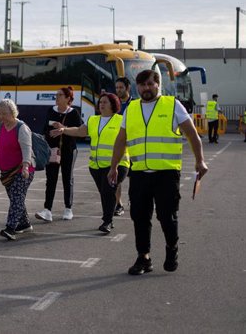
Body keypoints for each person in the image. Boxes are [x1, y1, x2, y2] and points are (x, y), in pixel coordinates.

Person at [108, 70, 208, 275]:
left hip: (166, 174)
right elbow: (121, 139)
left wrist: (200, 161)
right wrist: (113, 166)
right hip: (140, 174)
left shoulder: (172, 105)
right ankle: (143, 257)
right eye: (142, 85)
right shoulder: (132, 108)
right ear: (137, 87)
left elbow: (192, 134)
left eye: (150, 84)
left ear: (158, 85)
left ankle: (172, 249)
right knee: (139, 216)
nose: (146, 88)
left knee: (166, 216)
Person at [50, 92, 129, 234]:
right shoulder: (93, 120)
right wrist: (64, 130)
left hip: (117, 165)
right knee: (104, 193)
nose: (101, 104)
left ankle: (107, 222)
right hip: (96, 166)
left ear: (113, 104)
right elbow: (80, 131)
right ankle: (109, 217)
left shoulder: (121, 120)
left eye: (105, 102)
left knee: (108, 191)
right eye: (101, 102)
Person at [0, 100, 35, 240]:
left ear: (13, 112)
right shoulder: (2, 126)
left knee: (16, 198)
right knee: (15, 198)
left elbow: (27, 149)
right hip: (7, 172)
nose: (2, 116)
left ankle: (10, 228)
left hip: (22, 170)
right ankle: (24, 224)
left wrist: (25, 166)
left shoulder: (21, 128)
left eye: (4, 113)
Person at [35, 86, 82, 222]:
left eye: (60, 95)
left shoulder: (74, 113)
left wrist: (63, 128)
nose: (57, 97)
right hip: (53, 150)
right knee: (51, 179)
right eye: (56, 95)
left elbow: (79, 131)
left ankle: (68, 208)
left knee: (67, 178)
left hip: (68, 150)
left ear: (68, 98)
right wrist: (48, 133)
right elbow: (44, 128)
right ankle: (47, 210)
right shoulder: (51, 110)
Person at [114, 76, 133, 216]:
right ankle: (118, 204)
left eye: (121, 87)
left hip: (133, 146)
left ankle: (133, 200)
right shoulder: (114, 105)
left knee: (135, 177)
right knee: (118, 177)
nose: (118, 90)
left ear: (127, 88)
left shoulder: (135, 104)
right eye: (117, 88)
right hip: (119, 146)